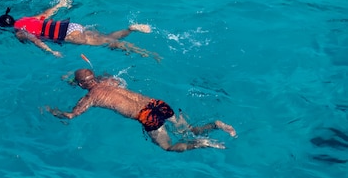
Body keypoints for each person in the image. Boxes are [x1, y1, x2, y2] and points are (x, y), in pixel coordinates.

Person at [47, 68, 237, 152]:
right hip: (157, 104)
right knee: (189, 130)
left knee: (168, 147)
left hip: (146, 116)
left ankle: (202, 143)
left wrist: (52, 111)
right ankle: (216, 125)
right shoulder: (109, 80)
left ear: (80, 85)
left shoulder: (90, 97)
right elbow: (100, 78)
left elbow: (71, 115)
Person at [0, 0, 159, 60]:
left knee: (107, 42)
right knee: (106, 37)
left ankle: (131, 32)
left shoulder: (19, 33)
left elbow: (34, 40)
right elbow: (45, 14)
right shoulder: (25, 19)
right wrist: (60, 4)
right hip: (71, 26)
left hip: (68, 35)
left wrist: (51, 52)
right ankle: (130, 32)